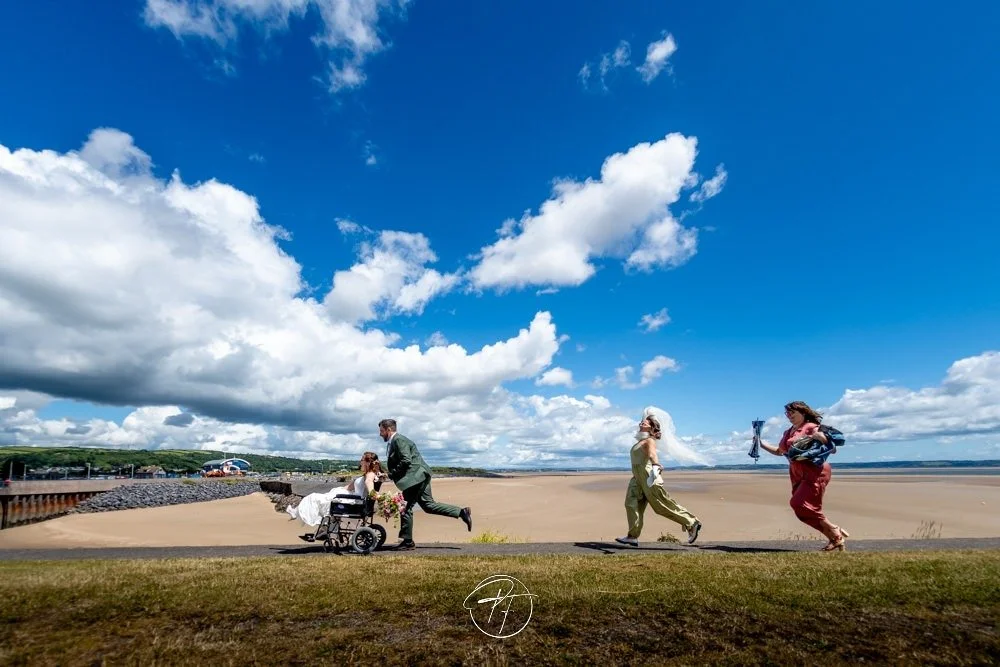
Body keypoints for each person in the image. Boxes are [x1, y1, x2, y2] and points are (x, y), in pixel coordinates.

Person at [758, 401, 849, 551]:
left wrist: (822, 438)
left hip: (815, 471)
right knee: (802, 510)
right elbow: (779, 451)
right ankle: (835, 538)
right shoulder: (788, 432)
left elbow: (832, 449)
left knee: (800, 504)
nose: (789, 415)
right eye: (787, 413)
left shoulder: (812, 427)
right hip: (796, 472)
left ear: (803, 412)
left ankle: (834, 529)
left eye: (793, 412)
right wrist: (761, 444)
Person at [379, 418, 472, 550]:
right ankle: (461, 512)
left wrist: (392, 474)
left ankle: (407, 542)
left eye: (381, 431)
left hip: (416, 478)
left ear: (388, 429)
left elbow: (406, 460)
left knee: (404, 507)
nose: (380, 434)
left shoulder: (398, 440)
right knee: (429, 506)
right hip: (421, 475)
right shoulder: (397, 441)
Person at [616, 409, 703, 547]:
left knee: (661, 505)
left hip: (648, 475)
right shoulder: (640, 441)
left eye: (646, 421)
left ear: (651, 427)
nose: (642, 421)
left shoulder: (649, 440)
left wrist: (656, 465)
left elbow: (652, 454)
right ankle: (632, 536)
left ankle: (691, 523)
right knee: (631, 504)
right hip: (637, 477)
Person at [288, 451, 382, 541]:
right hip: (353, 499)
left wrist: (373, 494)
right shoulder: (366, 474)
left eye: (362, 460)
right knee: (323, 499)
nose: (360, 462)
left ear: (368, 462)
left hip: (355, 502)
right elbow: (349, 487)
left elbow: (369, 484)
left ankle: (299, 514)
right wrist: (337, 491)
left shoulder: (370, 475)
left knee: (315, 497)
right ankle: (323, 527)